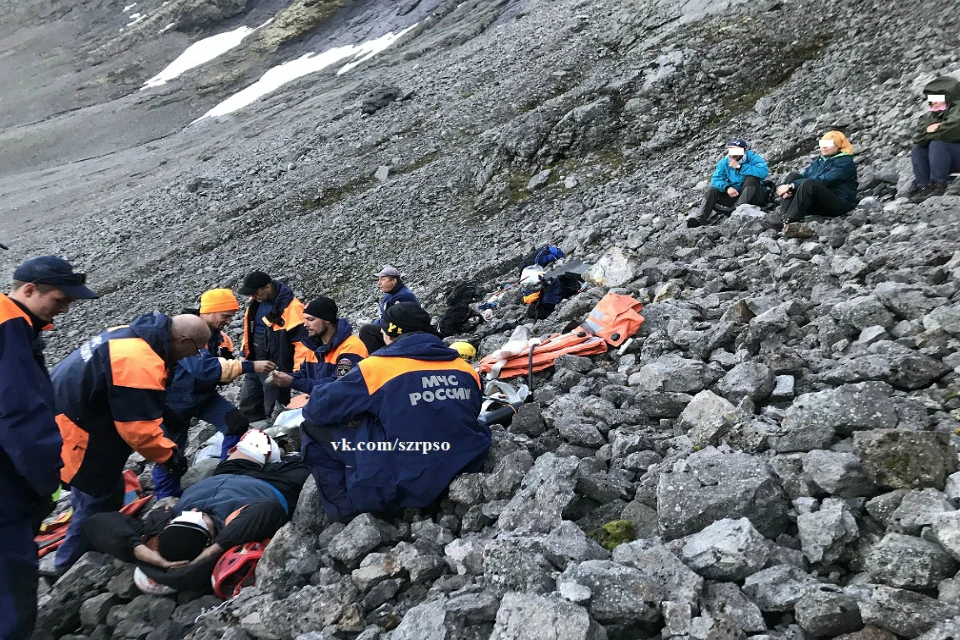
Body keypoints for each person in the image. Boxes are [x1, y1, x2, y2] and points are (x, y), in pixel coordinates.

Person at [301, 302, 491, 522]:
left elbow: (317, 410)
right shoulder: (465, 368)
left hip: (405, 480)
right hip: (464, 461)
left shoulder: (377, 368)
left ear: (389, 334)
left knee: (311, 429)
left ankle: (351, 515)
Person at [52, 312, 212, 572]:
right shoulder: (139, 359)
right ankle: (71, 566)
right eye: (196, 349)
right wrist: (169, 456)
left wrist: (162, 411)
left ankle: (95, 548)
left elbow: (124, 393)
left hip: (77, 419)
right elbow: (137, 429)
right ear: (182, 340)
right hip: (81, 435)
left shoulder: (133, 334)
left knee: (109, 493)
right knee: (95, 503)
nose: (195, 356)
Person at [82, 430, 310, 593]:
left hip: (226, 474)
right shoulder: (233, 530)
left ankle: (278, 447)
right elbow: (267, 508)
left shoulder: (161, 538)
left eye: (184, 516)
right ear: (209, 541)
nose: (194, 511)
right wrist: (212, 552)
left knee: (258, 438)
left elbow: (97, 521)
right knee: (309, 458)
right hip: (276, 485)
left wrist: (145, 553)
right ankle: (286, 452)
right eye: (200, 520)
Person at [0, 256, 96, 640]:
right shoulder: (10, 328)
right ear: (29, 289)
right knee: (11, 584)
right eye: (59, 299)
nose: (65, 308)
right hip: (5, 485)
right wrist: (46, 481)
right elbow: (20, 413)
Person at [154, 289, 278, 499]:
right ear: (210, 312)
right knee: (170, 454)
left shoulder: (216, 336)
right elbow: (203, 368)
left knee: (236, 422)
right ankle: (166, 500)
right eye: (225, 316)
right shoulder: (185, 333)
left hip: (203, 397)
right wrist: (249, 366)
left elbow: (214, 369)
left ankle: (226, 474)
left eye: (231, 316)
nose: (229, 321)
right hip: (174, 403)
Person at [237, 271, 309, 422]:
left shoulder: (292, 307)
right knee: (249, 399)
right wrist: (245, 351)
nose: (253, 296)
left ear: (268, 287)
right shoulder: (255, 303)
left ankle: (273, 435)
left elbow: (302, 344)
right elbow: (248, 329)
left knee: (274, 405)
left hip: (277, 365)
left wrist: (297, 373)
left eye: (256, 292)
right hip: (255, 361)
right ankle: (248, 433)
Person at [762, 130, 859, 230]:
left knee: (809, 184)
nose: (824, 147)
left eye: (829, 144)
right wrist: (789, 188)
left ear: (838, 146)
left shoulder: (845, 163)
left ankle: (789, 221)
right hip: (820, 201)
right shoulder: (821, 160)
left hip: (839, 204)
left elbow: (823, 180)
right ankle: (783, 214)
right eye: (822, 144)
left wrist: (791, 186)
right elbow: (805, 175)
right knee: (793, 176)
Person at [269, 296, 368, 393]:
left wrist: (293, 382)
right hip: (323, 403)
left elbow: (338, 385)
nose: (305, 324)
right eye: (305, 319)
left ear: (327, 320)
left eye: (311, 320)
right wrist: (284, 376)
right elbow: (304, 373)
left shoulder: (351, 347)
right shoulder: (314, 347)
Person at [687, 138, 769, 228]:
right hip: (735, 195)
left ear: (744, 151)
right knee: (712, 191)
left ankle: (736, 210)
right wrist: (727, 187)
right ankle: (700, 220)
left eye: (737, 150)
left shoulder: (753, 158)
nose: (733, 153)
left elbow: (763, 172)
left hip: (754, 196)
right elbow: (716, 179)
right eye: (731, 150)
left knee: (751, 178)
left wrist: (740, 167)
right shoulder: (724, 162)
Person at [909, 75, 960, 202]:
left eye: (937, 98)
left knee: (937, 144)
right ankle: (924, 187)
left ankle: (939, 184)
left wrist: (935, 130)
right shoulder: (930, 115)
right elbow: (917, 137)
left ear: (947, 96)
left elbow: (952, 130)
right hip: (948, 158)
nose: (933, 102)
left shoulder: (958, 109)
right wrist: (936, 130)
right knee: (918, 149)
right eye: (931, 100)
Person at [357, 265, 420, 354]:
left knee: (366, 330)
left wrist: (381, 327)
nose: (379, 283)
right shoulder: (390, 294)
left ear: (393, 281)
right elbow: (383, 316)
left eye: (382, 279)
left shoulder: (403, 296)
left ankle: (378, 358)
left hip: (403, 333)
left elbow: (400, 322)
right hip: (391, 328)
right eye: (379, 280)